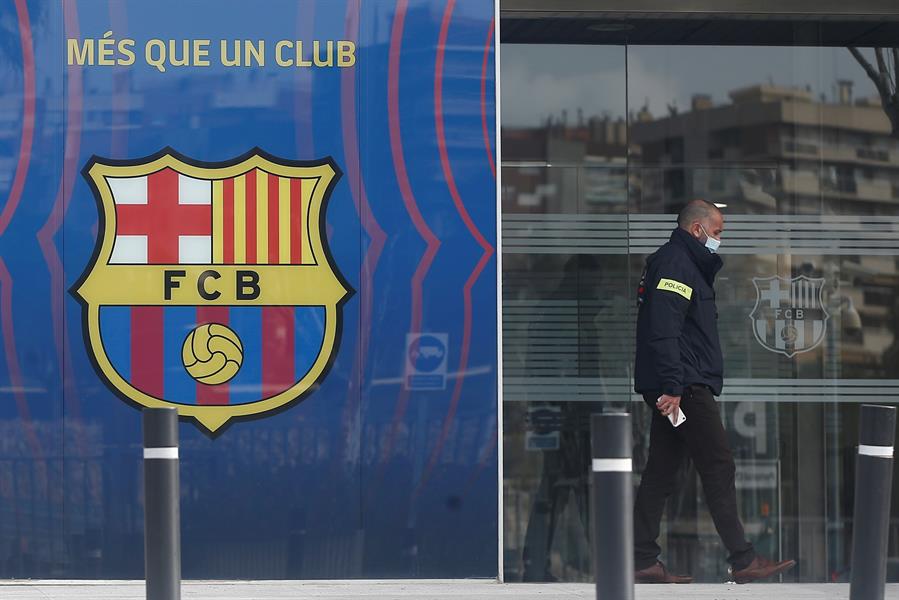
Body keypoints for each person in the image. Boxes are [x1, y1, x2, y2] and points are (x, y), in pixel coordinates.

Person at [632, 199, 796, 584]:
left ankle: (641, 558)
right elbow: (663, 328)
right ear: (696, 229)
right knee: (718, 464)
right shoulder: (676, 264)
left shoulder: (687, 264)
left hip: (680, 384)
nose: (720, 240)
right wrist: (673, 386)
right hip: (685, 387)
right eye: (717, 232)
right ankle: (743, 559)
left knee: (662, 468)